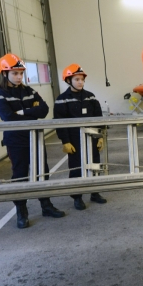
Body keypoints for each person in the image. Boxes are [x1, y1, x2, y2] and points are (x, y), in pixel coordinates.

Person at [0, 53, 66, 229]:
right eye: (14, 73)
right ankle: (21, 212)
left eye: (20, 73)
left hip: (35, 137)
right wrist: (30, 109)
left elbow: (44, 109)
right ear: (4, 74)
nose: (19, 77)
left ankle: (46, 206)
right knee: (20, 175)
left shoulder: (29, 90)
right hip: (16, 141)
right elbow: (8, 116)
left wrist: (22, 112)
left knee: (43, 172)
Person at [53, 64, 107, 210]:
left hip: (92, 138)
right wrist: (65, 141)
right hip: (74, 140)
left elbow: (98, 117)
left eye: (82, 79)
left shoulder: (90, 96)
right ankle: (77, 197)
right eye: (77, 79)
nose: (80, 82)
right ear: (68, 80)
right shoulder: (62, 99)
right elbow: (60, 122)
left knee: (95, 165)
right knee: (76, 168)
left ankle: (95, 193)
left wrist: (100, 136)